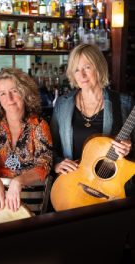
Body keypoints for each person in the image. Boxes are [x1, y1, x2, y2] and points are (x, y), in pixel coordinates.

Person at [50, 44, 135, 194]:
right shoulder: (62, 105)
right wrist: (57, 163)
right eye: (76, 70)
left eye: (87, 67)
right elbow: (50, 147)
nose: (81, 75)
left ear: (99, 67)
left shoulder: (124, 103)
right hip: (72, 188)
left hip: (111, 190)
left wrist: (129, 148)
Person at [0, 68, 52, 213]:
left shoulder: (39, 125)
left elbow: (44, 164)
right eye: (2, 94)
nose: (9, 98)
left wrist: (18, 181)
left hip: (32, 205)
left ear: (24, 92)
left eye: (14, 91)